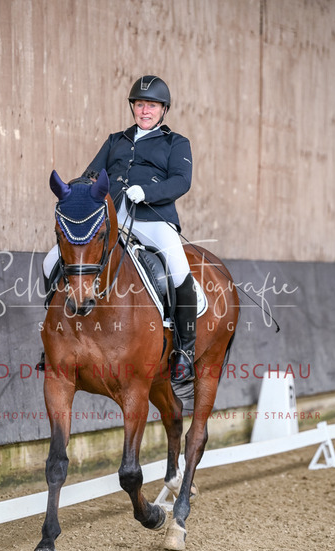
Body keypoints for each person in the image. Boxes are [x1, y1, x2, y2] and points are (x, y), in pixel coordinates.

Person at [41, 75, 197, 384]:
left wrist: (148, 192)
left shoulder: (176, 143)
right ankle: (53, 337)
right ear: (133, 108)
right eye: (140, 105)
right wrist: (77, 192)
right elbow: (91, 174)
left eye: (152, 106)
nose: (145, 111)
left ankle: (184, 351)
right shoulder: (116, 140)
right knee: (50, 262)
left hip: (152, 219)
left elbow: (182, 181)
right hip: (111, 219)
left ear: (163, 110)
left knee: (179, 270)